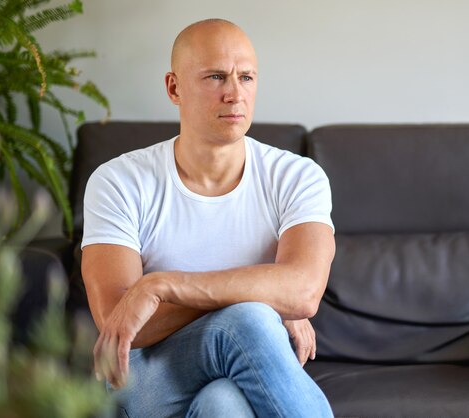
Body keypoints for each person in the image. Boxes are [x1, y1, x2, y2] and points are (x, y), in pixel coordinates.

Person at [80, 18, 335, 418]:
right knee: (250, 320)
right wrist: (263, 298)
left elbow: (303, 293)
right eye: (216, 77)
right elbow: (126, 324)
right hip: (149, 377)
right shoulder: (118, 181)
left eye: (246, 77)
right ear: (173, 88)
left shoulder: (297, 176)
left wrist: (161, 287)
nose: (235, 94)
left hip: (240, 374)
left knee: (223, 404)